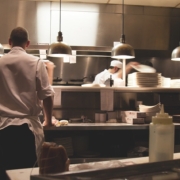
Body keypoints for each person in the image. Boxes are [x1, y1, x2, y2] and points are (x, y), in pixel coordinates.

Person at [0, 27, 55, 179]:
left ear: (10, 42)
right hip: (26, 130)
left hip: (2, 128)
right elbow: (47, 96)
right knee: (26, 174)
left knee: (4, 174)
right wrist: (48, 121)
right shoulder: (36, 62)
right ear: (28, 43)